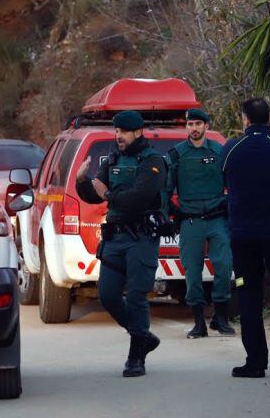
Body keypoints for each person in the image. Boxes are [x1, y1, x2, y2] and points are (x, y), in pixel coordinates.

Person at [76, 110, 166, 377]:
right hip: (115, 239)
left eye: (123, 132)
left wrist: (108, 194)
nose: (118, 137)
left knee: (137, 296)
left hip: (141, 238)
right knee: (108, 296)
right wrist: (82, 181)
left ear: (138, 132)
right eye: (116, 132)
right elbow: (95, 195)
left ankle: (136, 357)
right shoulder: (113, 159)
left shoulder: (153, 161)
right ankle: (144, 337)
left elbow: (139, 197)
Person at [219, 98, 270, 378]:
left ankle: (255, 362)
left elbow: (223, 182)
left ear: (244, 119)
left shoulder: (232, 149)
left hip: (243, 237)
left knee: (248, 296)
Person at [168, 107, 235, 338]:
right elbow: (165, 188)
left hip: (217, 219)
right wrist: (170, 212)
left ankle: (221, 318)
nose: (194, 128)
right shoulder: (177, 154)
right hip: (191, 221)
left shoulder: (220, 151)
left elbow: (232, 184)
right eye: (190, 124)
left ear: (207, 126)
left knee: (225, 267)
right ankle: (198, 323)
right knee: (192, 272)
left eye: (198, 124)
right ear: (186, 127)